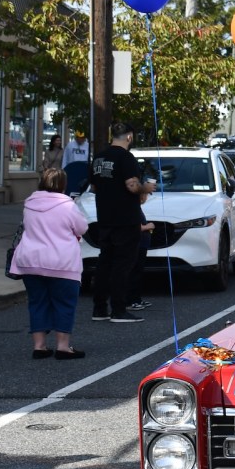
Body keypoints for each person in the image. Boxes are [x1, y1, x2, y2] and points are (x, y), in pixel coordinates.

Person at [9, 168, 89, 359]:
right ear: (63, 184)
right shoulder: (68, 205)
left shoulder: (29, 204)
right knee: (64, 303)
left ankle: (40, 346)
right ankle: (63, 347)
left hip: (30, 261)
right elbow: (82, 228)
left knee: (37, 303)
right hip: (61, 262)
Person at [90, 122, 156, 323]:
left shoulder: (98, 158)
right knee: (123, 265)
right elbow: (131, 185)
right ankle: (118, 310)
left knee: (104, 263)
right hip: (125, 218)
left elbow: (93, 187)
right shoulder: (126, 157)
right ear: (129, 137)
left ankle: (99, 309)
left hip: (104, 216)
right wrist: (146, 189)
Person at [62, 130, 90, 195]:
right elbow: (65, 158)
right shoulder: (70, 145)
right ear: (76, 137)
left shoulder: (87, 146)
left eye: (82, 138)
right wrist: (63, 170)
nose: (80, 140)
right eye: (79, 138)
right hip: (72, 170)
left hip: (84, 170)